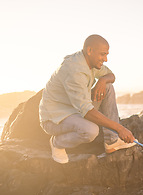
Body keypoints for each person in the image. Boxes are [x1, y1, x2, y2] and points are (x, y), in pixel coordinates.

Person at [39, 34, 136, 163]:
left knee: (107, 86)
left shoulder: (90, 61)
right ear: (90, 51)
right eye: (102, 54)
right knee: (90, 130)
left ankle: (112, 141)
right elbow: (87, 111)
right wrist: (120, 129)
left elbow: (111, 75)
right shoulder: (75, 70)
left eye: (107, 54)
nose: (105, 59)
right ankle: (57, 143)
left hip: (75, 109)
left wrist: (102, 80)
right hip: (55, 119)